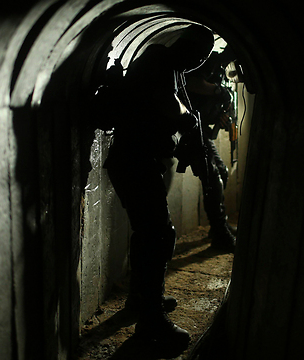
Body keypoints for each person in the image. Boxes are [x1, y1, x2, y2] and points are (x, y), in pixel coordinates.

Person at [102, 24, 214, 350]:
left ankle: (140, 299)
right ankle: (150, 324)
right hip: (134, 160)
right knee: (159, 234)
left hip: (138, 161)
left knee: (147, 233)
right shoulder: (157, 59)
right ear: (187, 47)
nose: (200, 61)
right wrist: (188, 121)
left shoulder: (172, 68)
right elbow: (166, 102)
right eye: (199, 53)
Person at [185, 49, 238, 252]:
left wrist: (219, 116)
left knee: (221, 172)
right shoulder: (208, 61)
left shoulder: (221, 69)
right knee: (212, 176)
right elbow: (191, 83)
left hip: (201, 129)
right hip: (187, 127)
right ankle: (220, 235)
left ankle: (219, 226)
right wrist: (218, 91)